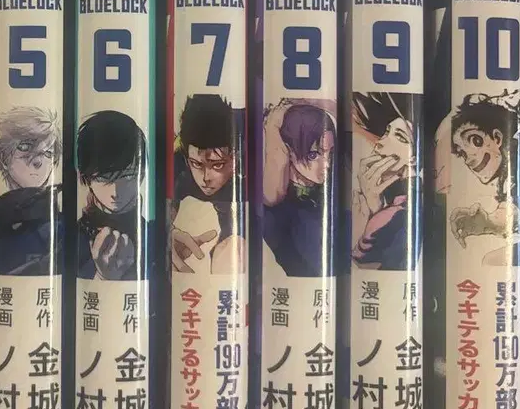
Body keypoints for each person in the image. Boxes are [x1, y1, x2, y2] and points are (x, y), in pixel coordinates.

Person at [441, 91, 520, 266]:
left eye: (474, 140)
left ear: (497, 138)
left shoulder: (517, 156)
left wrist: (491, 222)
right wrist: (488, 222)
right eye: (462, 153)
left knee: (493, 261)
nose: (469, 158)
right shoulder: (507, 176)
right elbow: (511, 209)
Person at [170, 95, 245, 275]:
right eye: (197, 164)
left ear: (236, 157)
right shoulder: (177, 165)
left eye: (217, 165)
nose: (205, 178)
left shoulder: (250, 158)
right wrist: (165, 234)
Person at [262, 100, 336, 278]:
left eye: (330, 153)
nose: (326, 164)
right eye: (313, 155)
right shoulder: (277, 213)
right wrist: (273, 129)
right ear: (288, 151)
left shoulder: (331, 194)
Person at [352, 93, 420, 271]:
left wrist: (376, 212)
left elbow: (373, 265)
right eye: (387, 132)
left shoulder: (409, 207)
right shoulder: (386, 193)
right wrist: (374, 205)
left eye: (400, 137)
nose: (380, 142)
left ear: (414, 157)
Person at [77, 110, 148, 281]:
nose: (116, 192)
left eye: (128, 176)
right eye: (104, 178)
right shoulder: (72, 238)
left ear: (141, 174)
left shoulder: (152, 235)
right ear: (86, 178)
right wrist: (103, 277)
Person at [0, 106, 62, 276]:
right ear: (4, 158)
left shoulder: (59, 229)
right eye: (25, 147)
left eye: (48, 153)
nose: (38, 161)